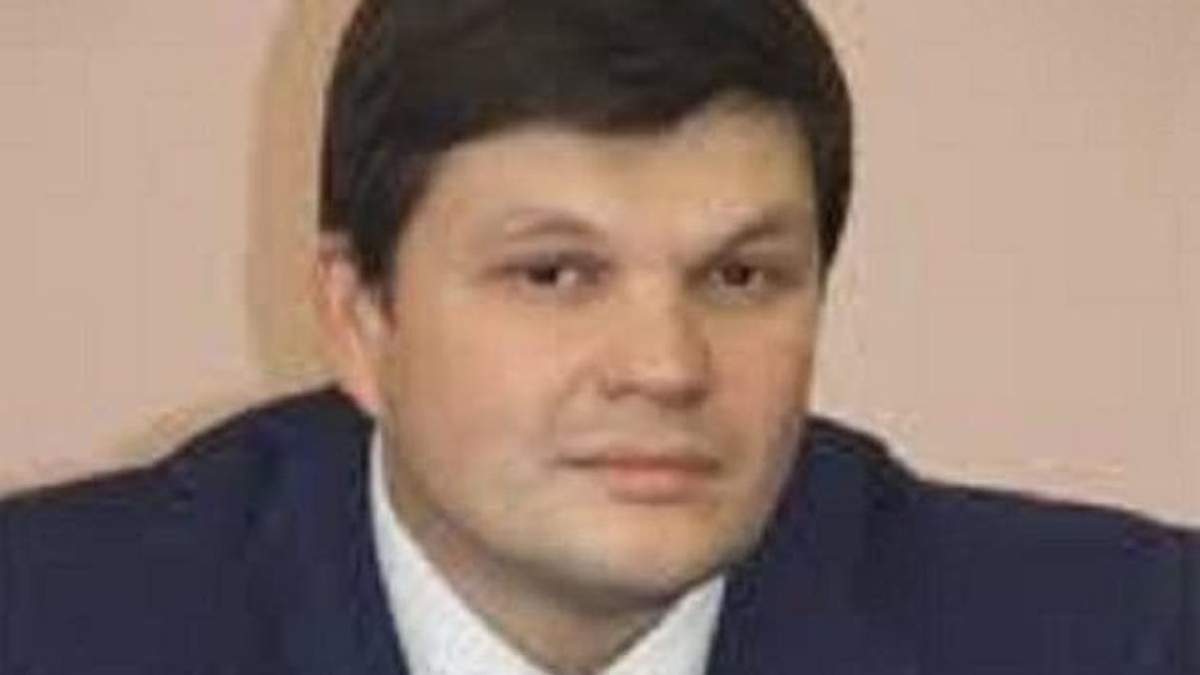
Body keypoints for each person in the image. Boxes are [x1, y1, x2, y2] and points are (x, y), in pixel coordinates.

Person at [1, 1, 1195, 673]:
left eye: (740, 275)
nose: (666, 366)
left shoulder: (1125, 640)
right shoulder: (47, 628)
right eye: (554, 273)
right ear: (360, 317)